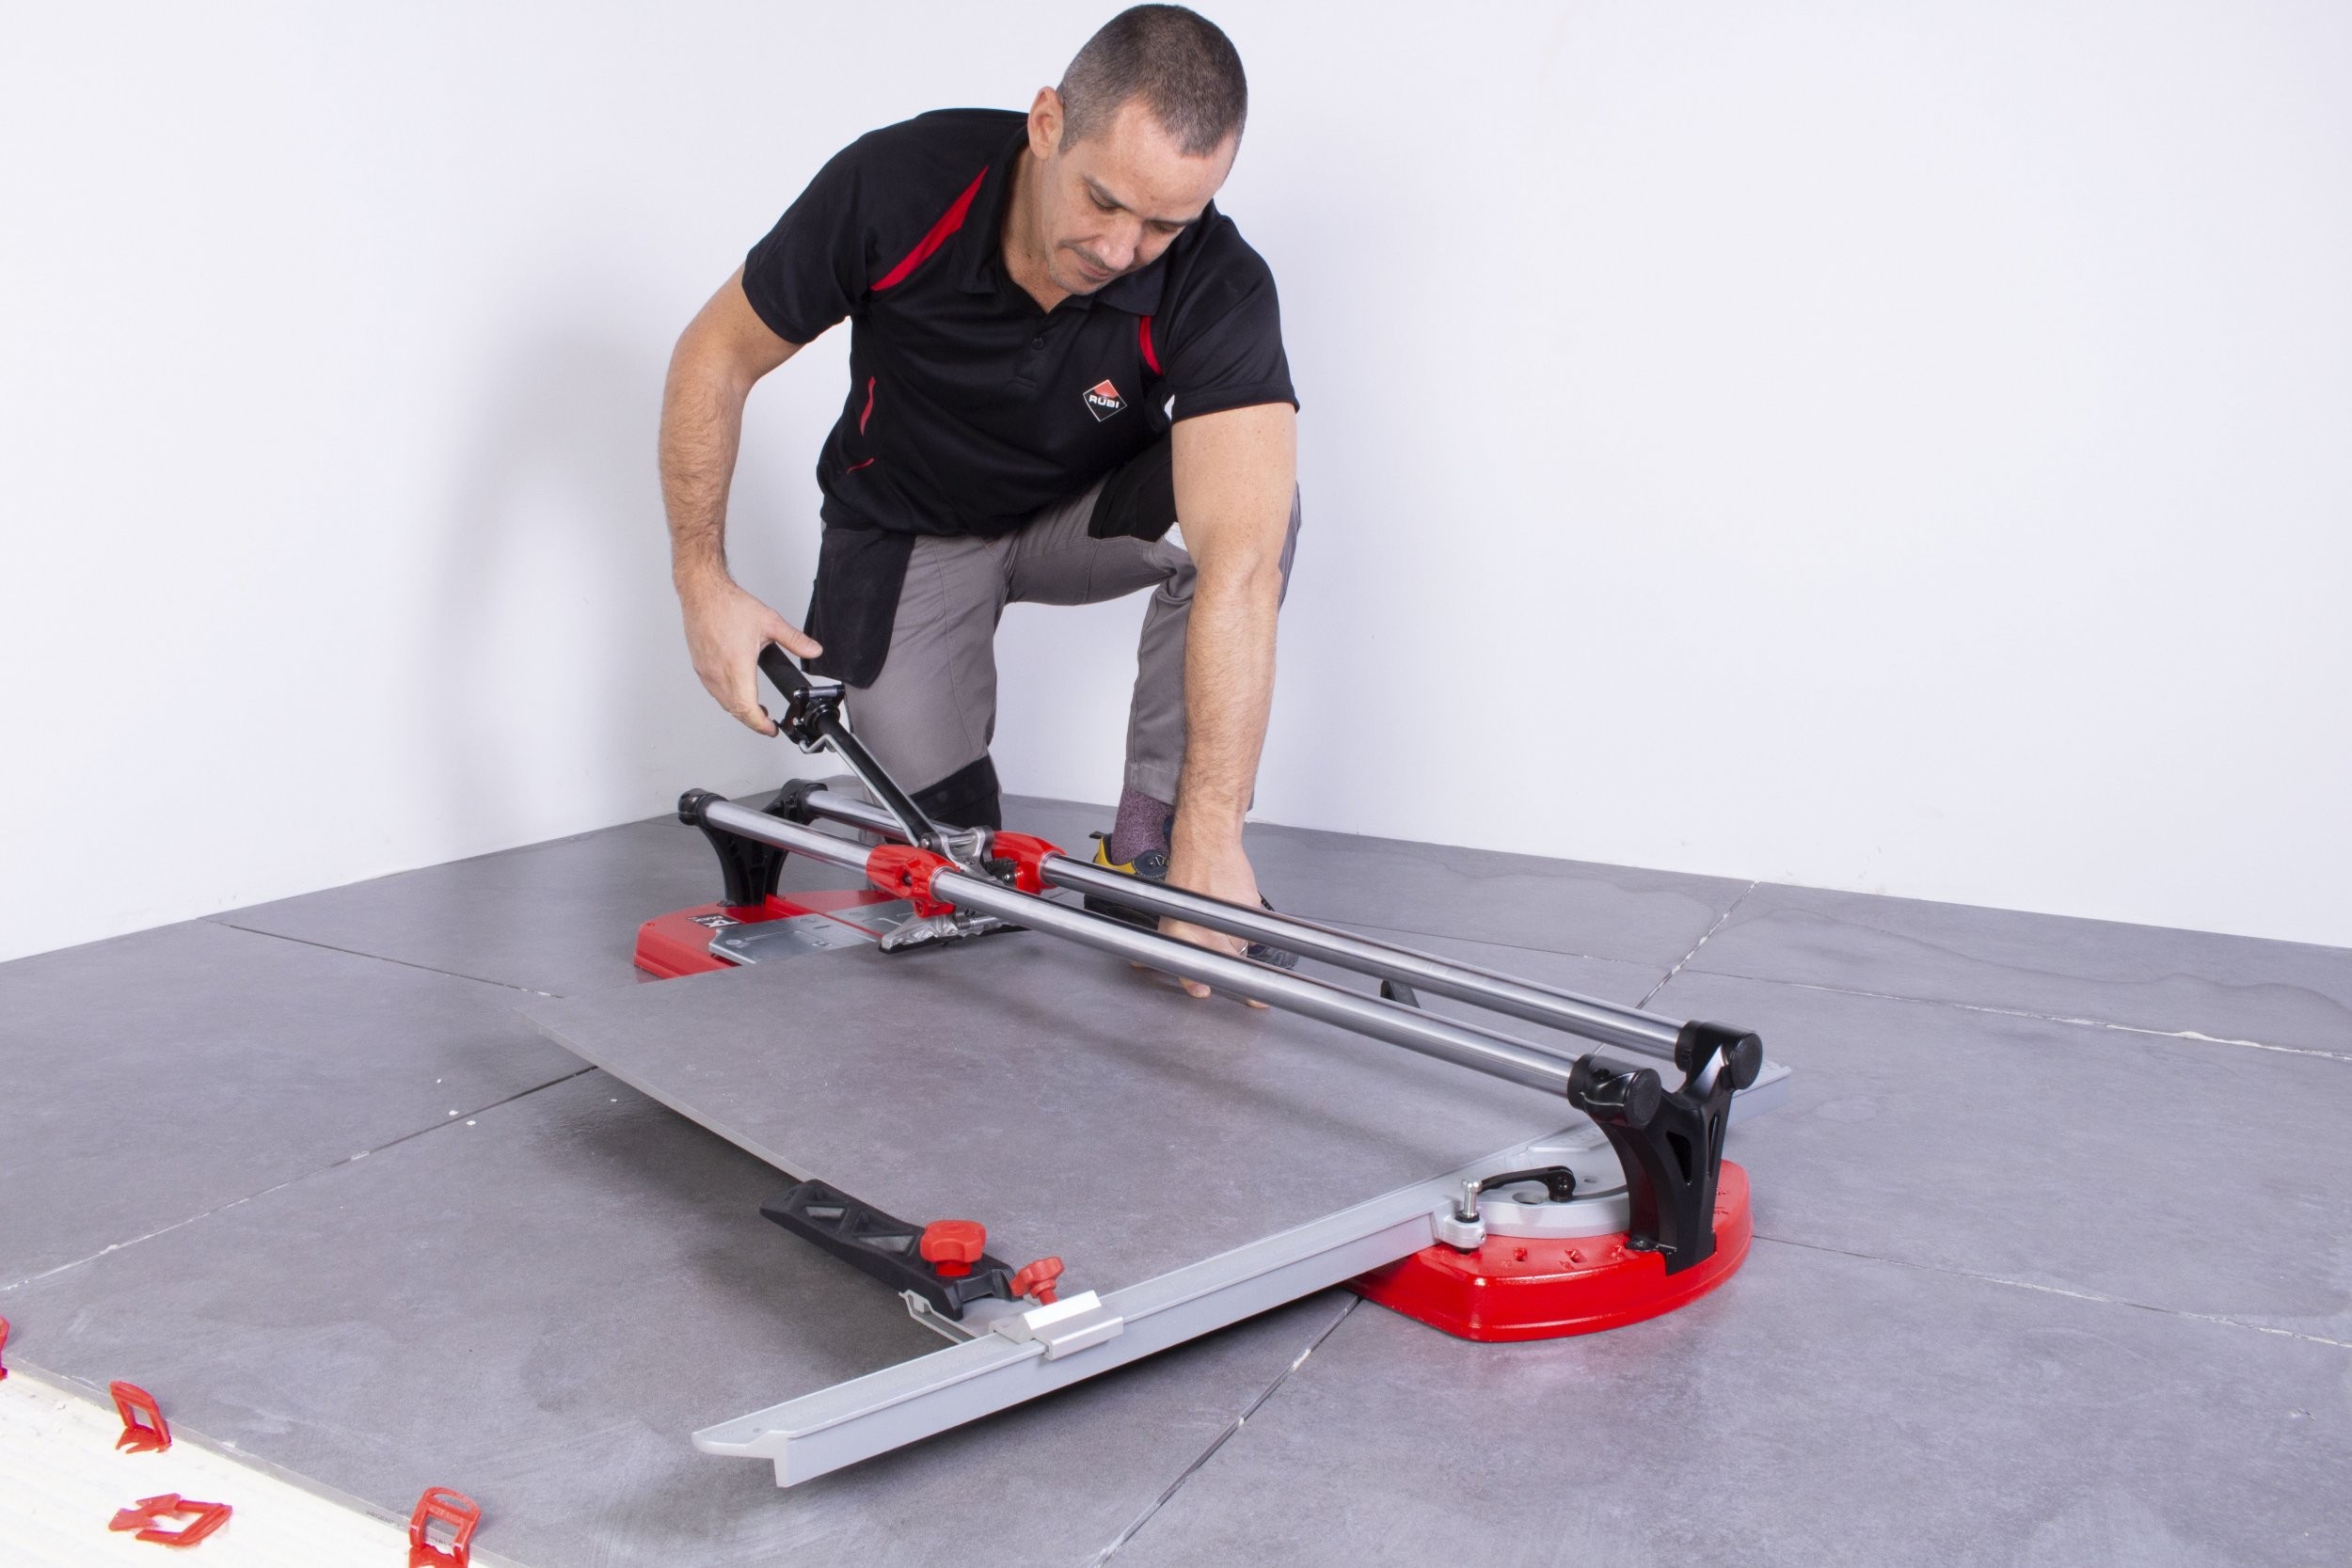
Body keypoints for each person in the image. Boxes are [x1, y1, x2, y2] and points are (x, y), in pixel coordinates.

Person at [658, 6, 1298, 994]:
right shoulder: (899, 184)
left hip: (1075, 520)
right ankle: (947, 813)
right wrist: (702, 581)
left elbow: (1245, 567)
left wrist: (1211, 840)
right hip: (907, 530)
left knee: (1252, 512)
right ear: (1047, 124)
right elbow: (716, 354)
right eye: (1104, 200)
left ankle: (1156, 848)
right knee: (949, 864)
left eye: (1164, 224)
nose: (1122, 247)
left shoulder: (1218, 282)